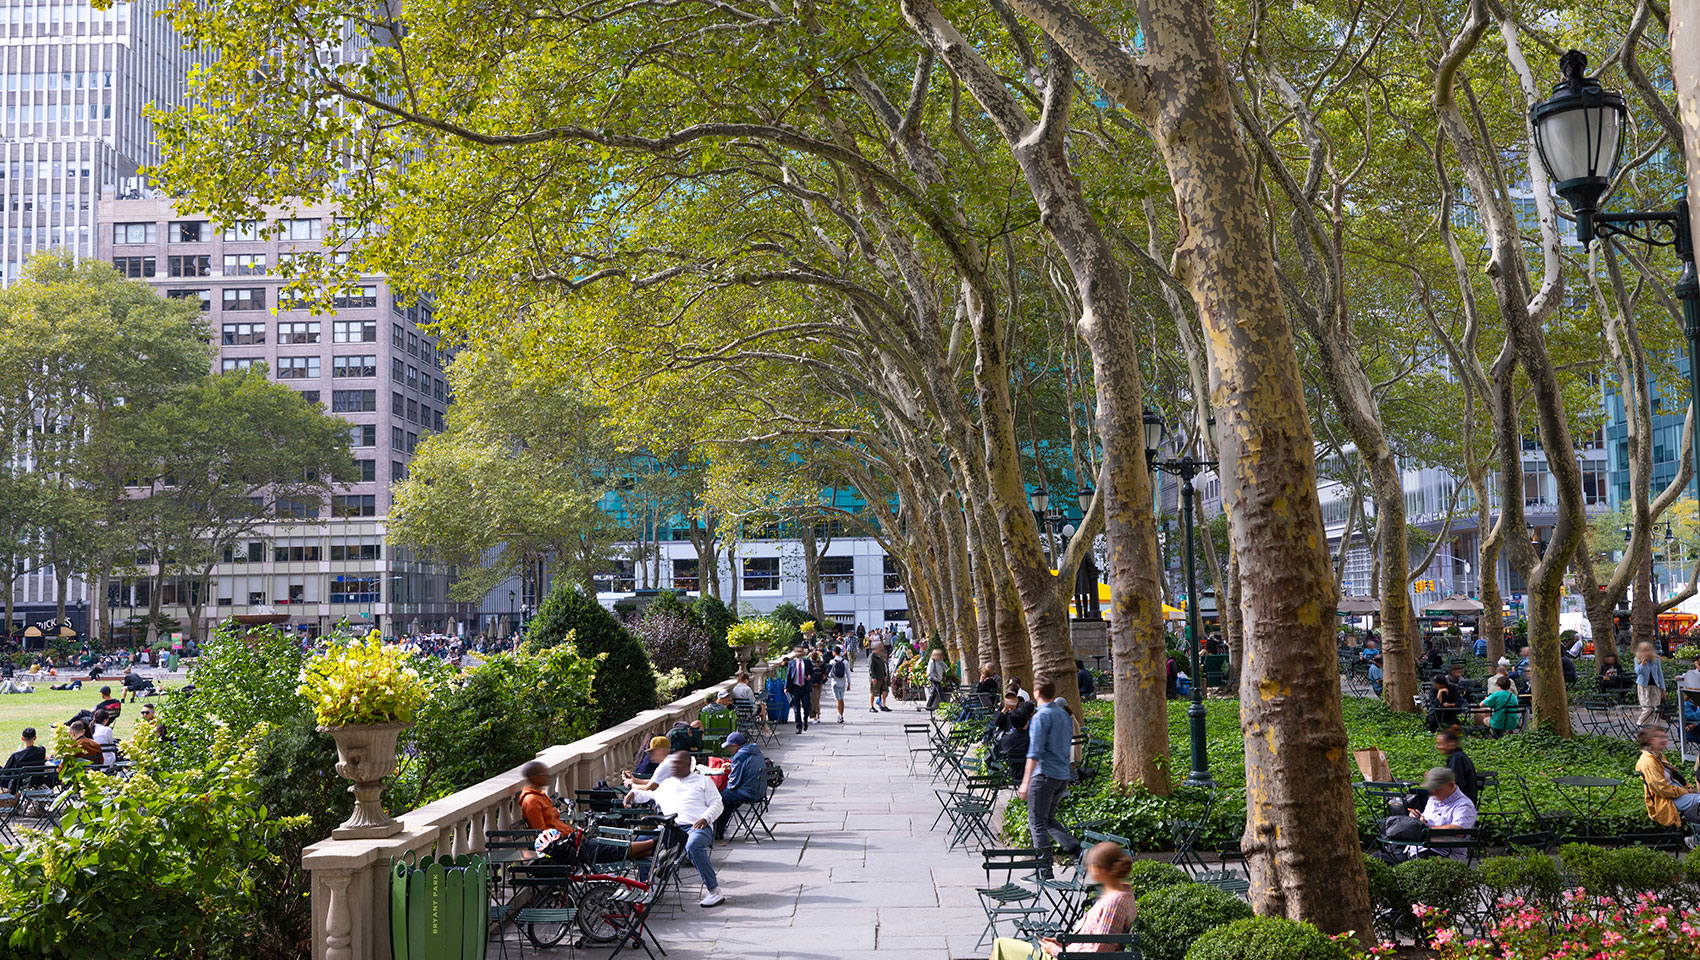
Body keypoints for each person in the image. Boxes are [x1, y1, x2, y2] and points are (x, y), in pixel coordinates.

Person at [986, 841, 1135, 959]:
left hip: (1066, 957)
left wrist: (1057, 950)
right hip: (1069, 951)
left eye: (1090, 867)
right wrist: (1061, 943)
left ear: (1098, 870)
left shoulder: (1113, 902)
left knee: (1001, 945)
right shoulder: (1121, 893)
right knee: (1005, 946)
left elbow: (1097, 951)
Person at [624, 751, 726, 907]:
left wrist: (706, 817)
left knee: (692, 845)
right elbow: (650, 795)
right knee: (638, 844)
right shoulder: (667, 783)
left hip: (696, 827)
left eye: (678, 763)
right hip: (670, 829)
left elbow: (717, 803)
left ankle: (714, 891)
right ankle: (648, 887)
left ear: (687, 765)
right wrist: (634, 793)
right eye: (672, 763)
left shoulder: (703, 781)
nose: (673, 766)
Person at [1019, 676, 1081, 877]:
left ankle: (1044, 871)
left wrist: (1025, 783)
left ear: (1037, 693)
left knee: (1037, 823)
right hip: (1062, 776)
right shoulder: (1064, 716)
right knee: (1046, 819)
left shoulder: (1040, 717)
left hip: (1043, 776)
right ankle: (1075, 848)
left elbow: (1034, 753)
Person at [1635, 725, 1700, 845]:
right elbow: (1661, 789)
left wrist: (1688, 787)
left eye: (1664, 736)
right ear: (1649, 740)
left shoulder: (1657, 755)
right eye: (1660, 737)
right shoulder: (1648, 762)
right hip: (1666, 800)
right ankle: (1695, 841)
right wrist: (1686, 792)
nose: (1664, 740)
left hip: (1675, 793)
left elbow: (1674, 776)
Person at [1404, 767, 1477, 860]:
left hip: (1443, 853)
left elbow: (1459, 831)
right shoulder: (1434, 798)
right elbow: (1426, 820)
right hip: (1417, 848)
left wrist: (1426, 829)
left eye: (1437, 789)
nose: (1432, 792)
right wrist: (1418, 819)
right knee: (1382, 858)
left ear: (1451, 785)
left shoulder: (1464, 805)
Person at [713, 732, 765, 839]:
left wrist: (733, 765)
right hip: (760, 792)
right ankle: (718, 831)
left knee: (720, 798)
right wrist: (733, 764)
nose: (729, 750)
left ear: (735, 746)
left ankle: (717, 831)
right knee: (729, 802)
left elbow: (733, 784)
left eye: (729, 747)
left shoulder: (739, 757)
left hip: (748, 793)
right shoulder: (756, 751)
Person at [1434, 727, 1478, 804]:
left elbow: (1455, 784)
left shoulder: (1457, 758)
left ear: (1452, 744)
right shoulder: (1458, 757)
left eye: (1441, 744)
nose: (1438, 747)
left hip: (1459, 803)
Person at [996, 703, 1032, 785]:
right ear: (1027, 722)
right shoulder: (1031, 740)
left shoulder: (1005, 739)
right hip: (1030, 775)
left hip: (1012, 775)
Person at [1635, 641, 1666, 727]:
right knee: (1647, 708)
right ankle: (1640, 724)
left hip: (1655, 686)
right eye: (1644, 651)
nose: (1647, 653)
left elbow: (1660, 674)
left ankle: (1654, 728)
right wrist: (1642, 664)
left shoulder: (1656, 660)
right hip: (1643, 687)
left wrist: (1663, 688)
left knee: (1656, 708)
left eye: (1648, 650)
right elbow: (1637, 672)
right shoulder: (1637, 660)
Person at [784, 647, 811, 732]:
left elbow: (812, 673)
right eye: (797, 652)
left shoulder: (807, 662)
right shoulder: (791, 663)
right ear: (794, 653)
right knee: (796, 709)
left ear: (803, 653)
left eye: (800, 651)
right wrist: (786, 687)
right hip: (795, 688)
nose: (799, 653)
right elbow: (788, 676)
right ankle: (798, 727)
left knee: (806, 707)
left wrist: (809, 678)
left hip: (804, 688)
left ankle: (805, 719)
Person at [826, 647, 851, 724]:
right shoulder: (845, 661)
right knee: (841, 699)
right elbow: (848, 673)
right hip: (842, 682)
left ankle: (839, 715)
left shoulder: (832, 661)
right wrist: (849, 683)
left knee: (837, 699)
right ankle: (841, 715)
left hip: (834, 682)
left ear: (834, 652)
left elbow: (829, 673)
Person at [868, 642, 891, 713]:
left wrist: (885, 675)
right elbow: (871, 668)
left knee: (885, 691)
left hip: (882, 676)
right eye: (881, 647)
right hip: (876, 677)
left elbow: (883, 666)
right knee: (873, 692)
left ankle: (883, 705)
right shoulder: (872, 656)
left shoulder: (880, 655)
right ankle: (871, 706)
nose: (882, 648)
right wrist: (873, 677)